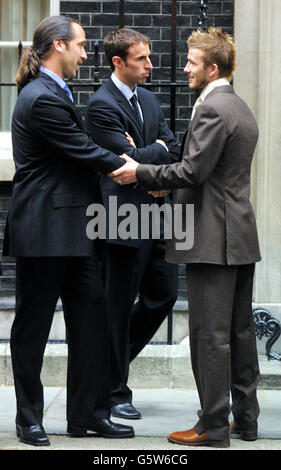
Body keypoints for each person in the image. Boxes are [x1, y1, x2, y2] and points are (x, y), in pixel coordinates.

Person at [109, 27, 261, 448]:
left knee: (209, 336)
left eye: (192, 62)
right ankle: (245, 421)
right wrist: (168, 185)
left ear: (212, 67)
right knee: (239, 332)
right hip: (239, 235)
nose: (185, 68)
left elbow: (193, 170)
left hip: (213, 239)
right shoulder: (239, 106)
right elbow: (210, 175)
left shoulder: (212, 109)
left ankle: (212, 427)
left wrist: (141, 172)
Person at [2, 15, 135, 447]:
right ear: (57, 45)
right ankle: (29, 419)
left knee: (91, 323)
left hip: (75, 227)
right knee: (33, 328)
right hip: (44, 228)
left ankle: (87, 414)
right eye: (80, 45)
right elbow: (82, 151)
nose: (84, 53)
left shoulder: (54, 91)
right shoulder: (42, 98)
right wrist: (134, 166)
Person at [85, 28, 179, 420]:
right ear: (118, 62)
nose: (150, 65)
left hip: (156, 211)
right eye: (142, 59)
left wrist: (149, 154)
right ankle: (114, 390)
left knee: (165, 294)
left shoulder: (150, 99)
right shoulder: (101, 105)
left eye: (149, 57)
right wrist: (152, 152)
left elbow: (173, 147)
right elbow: (119, 160)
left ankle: (112, 364)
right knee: (118, 304)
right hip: (119, 216)